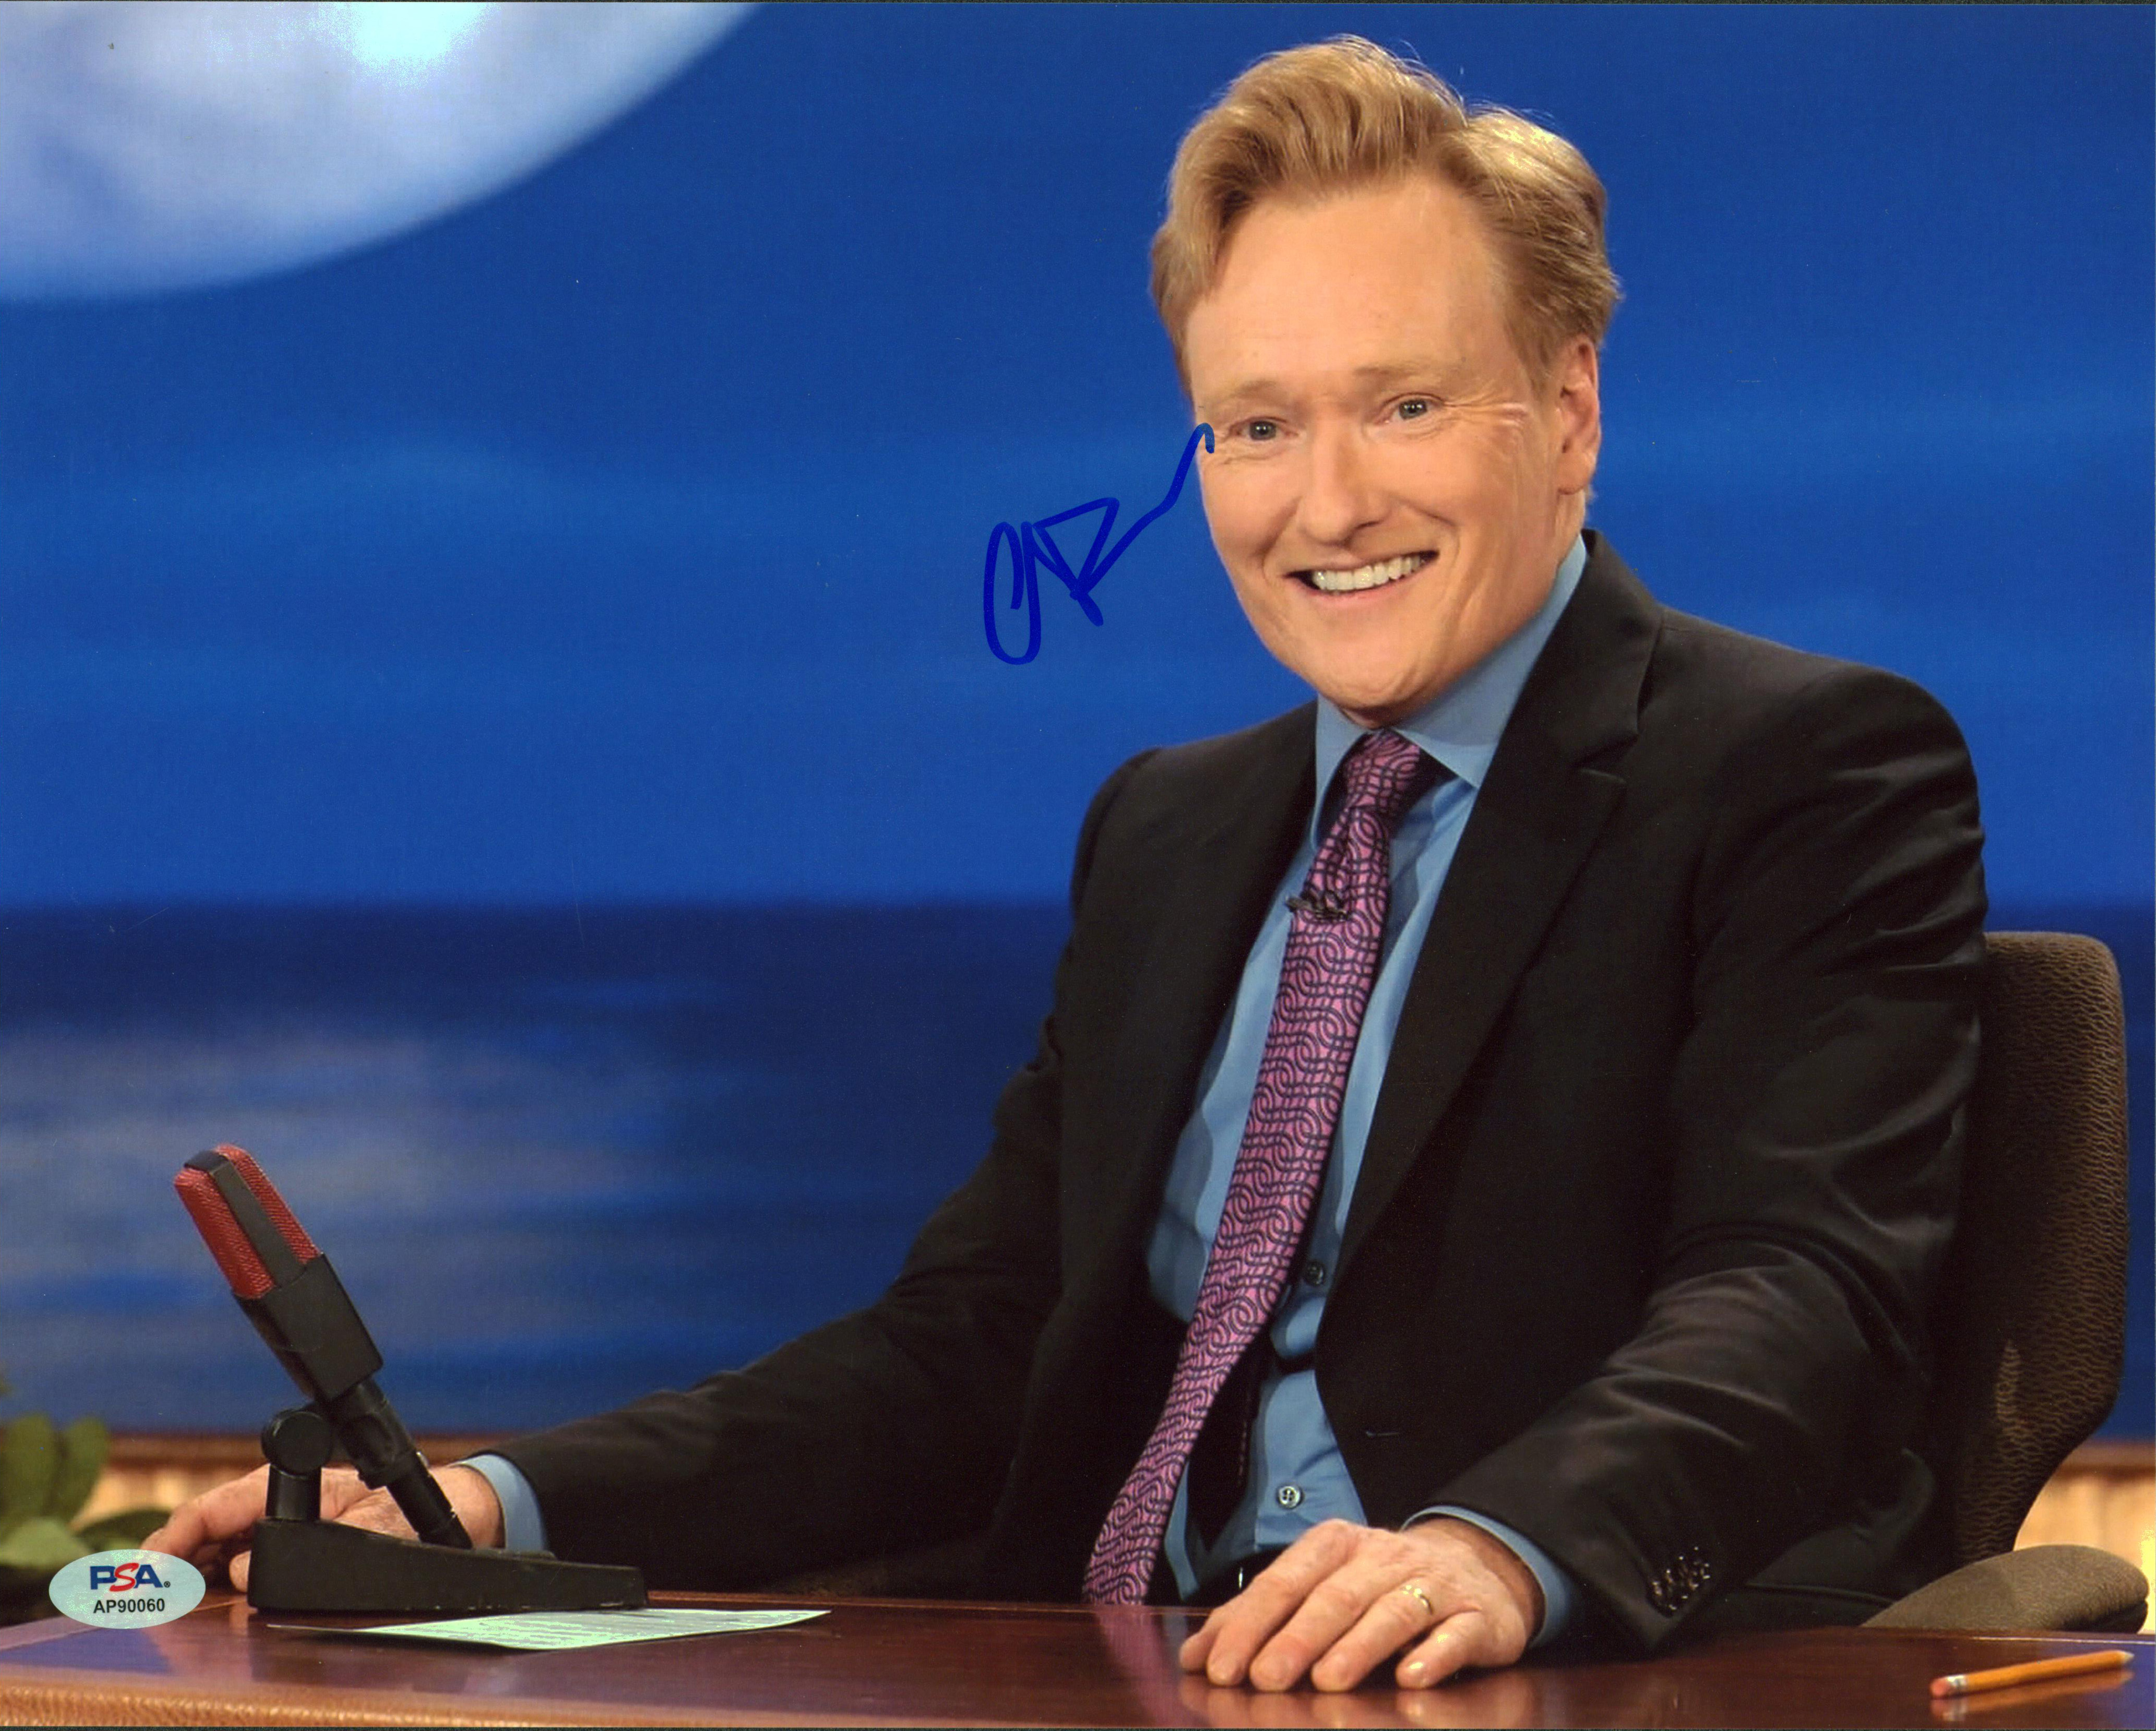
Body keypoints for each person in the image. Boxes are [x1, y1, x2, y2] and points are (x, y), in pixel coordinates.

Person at [150, 38, 1985, 1694]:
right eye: (1256, 426)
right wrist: (497, 1501)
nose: (1326, 503)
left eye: (1404, 407)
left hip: (1523, 1677)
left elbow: (1796, 1294)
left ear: (1568, 410)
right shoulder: (1167, 831)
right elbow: (977, 1347)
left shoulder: (1807, 768)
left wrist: (1496, 1554)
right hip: (1107, 1670)